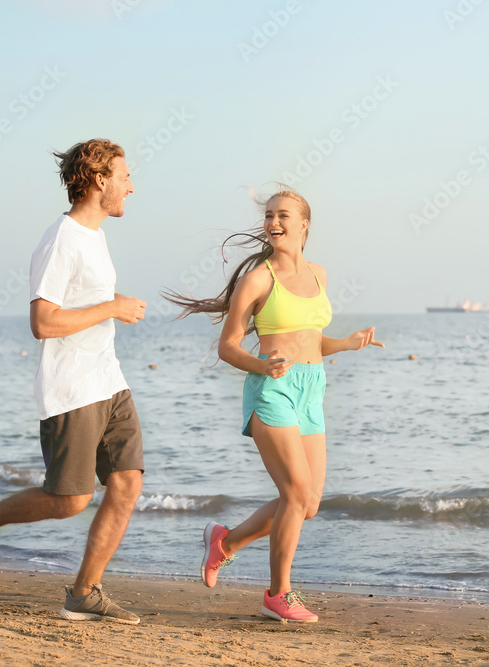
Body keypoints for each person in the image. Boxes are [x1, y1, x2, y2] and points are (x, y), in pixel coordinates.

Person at [0, 139, 147, 625]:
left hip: (109, 382)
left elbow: (82, 299)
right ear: (100, 179)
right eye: (124, 176)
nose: (131, 186)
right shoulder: (61, 238)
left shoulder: (94, 237)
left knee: (126, 485)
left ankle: (84, 592)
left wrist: (109, 300)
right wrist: (113, 308)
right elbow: (44, 322)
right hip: (72, 388)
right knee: (71, 499)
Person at [163, 187, 383, 623]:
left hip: (311, 388)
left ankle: (225, 543)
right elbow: (227, 347)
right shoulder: (258, 279)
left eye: (283, 215)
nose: (273, 223)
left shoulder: (319, 274)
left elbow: (311, 339)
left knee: (309, 501)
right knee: (296, 493)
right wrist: (263, 368)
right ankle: (278, 594)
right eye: (268, 216)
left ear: (304, 224)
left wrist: (348, 344)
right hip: (272, 389)